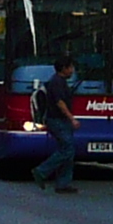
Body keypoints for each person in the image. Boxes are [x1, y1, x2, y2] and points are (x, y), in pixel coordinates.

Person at [31, 64, 82, 193]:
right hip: (57, 120)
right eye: (70, 67)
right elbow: (60, 103)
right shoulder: (57, 83)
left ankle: (63, 184)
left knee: (67, 151)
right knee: (67, 149)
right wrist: (72, 119)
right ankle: (41, 171)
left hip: (61, 121)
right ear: (64, 69)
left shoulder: (60, 82)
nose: (72, 70)